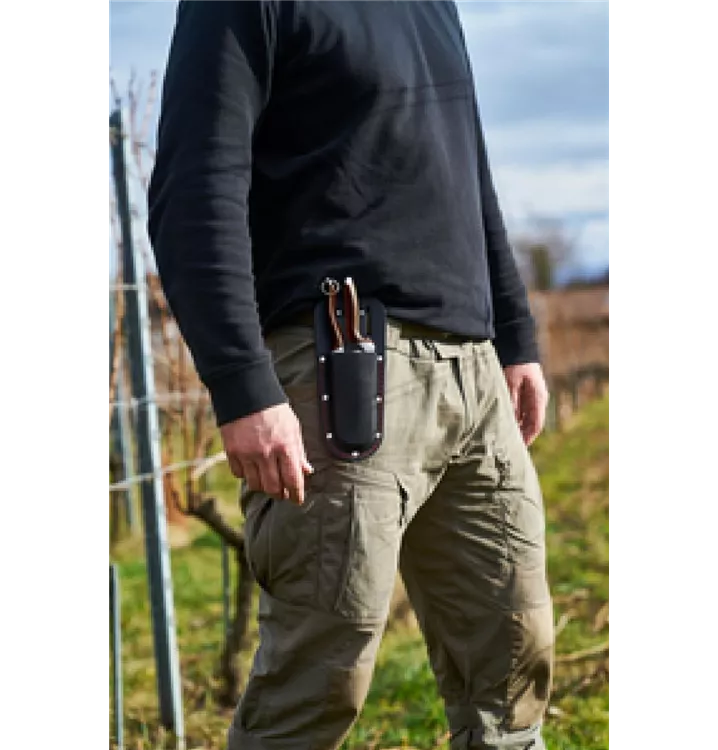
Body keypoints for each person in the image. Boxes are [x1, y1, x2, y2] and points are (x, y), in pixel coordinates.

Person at [147, 0, 555, 747]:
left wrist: (516, 336)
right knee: (316, 685)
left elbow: (469, 173)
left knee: (514, 664)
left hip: (474, 375)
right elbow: (194, 187)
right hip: (342, 369)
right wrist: (242, 384)